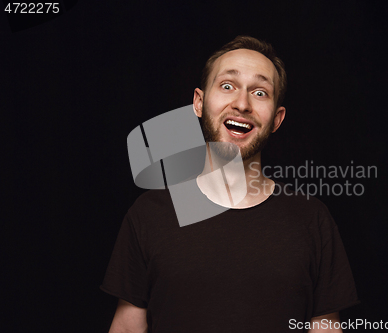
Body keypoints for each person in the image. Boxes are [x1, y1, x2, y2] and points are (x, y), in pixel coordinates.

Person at [101, 36, 359, 332]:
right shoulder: (148, 214)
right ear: (198, 102)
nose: (242, 103)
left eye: (260, 92)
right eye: (227, 86)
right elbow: (127, 328)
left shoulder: (313, 219)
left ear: (276, 119)